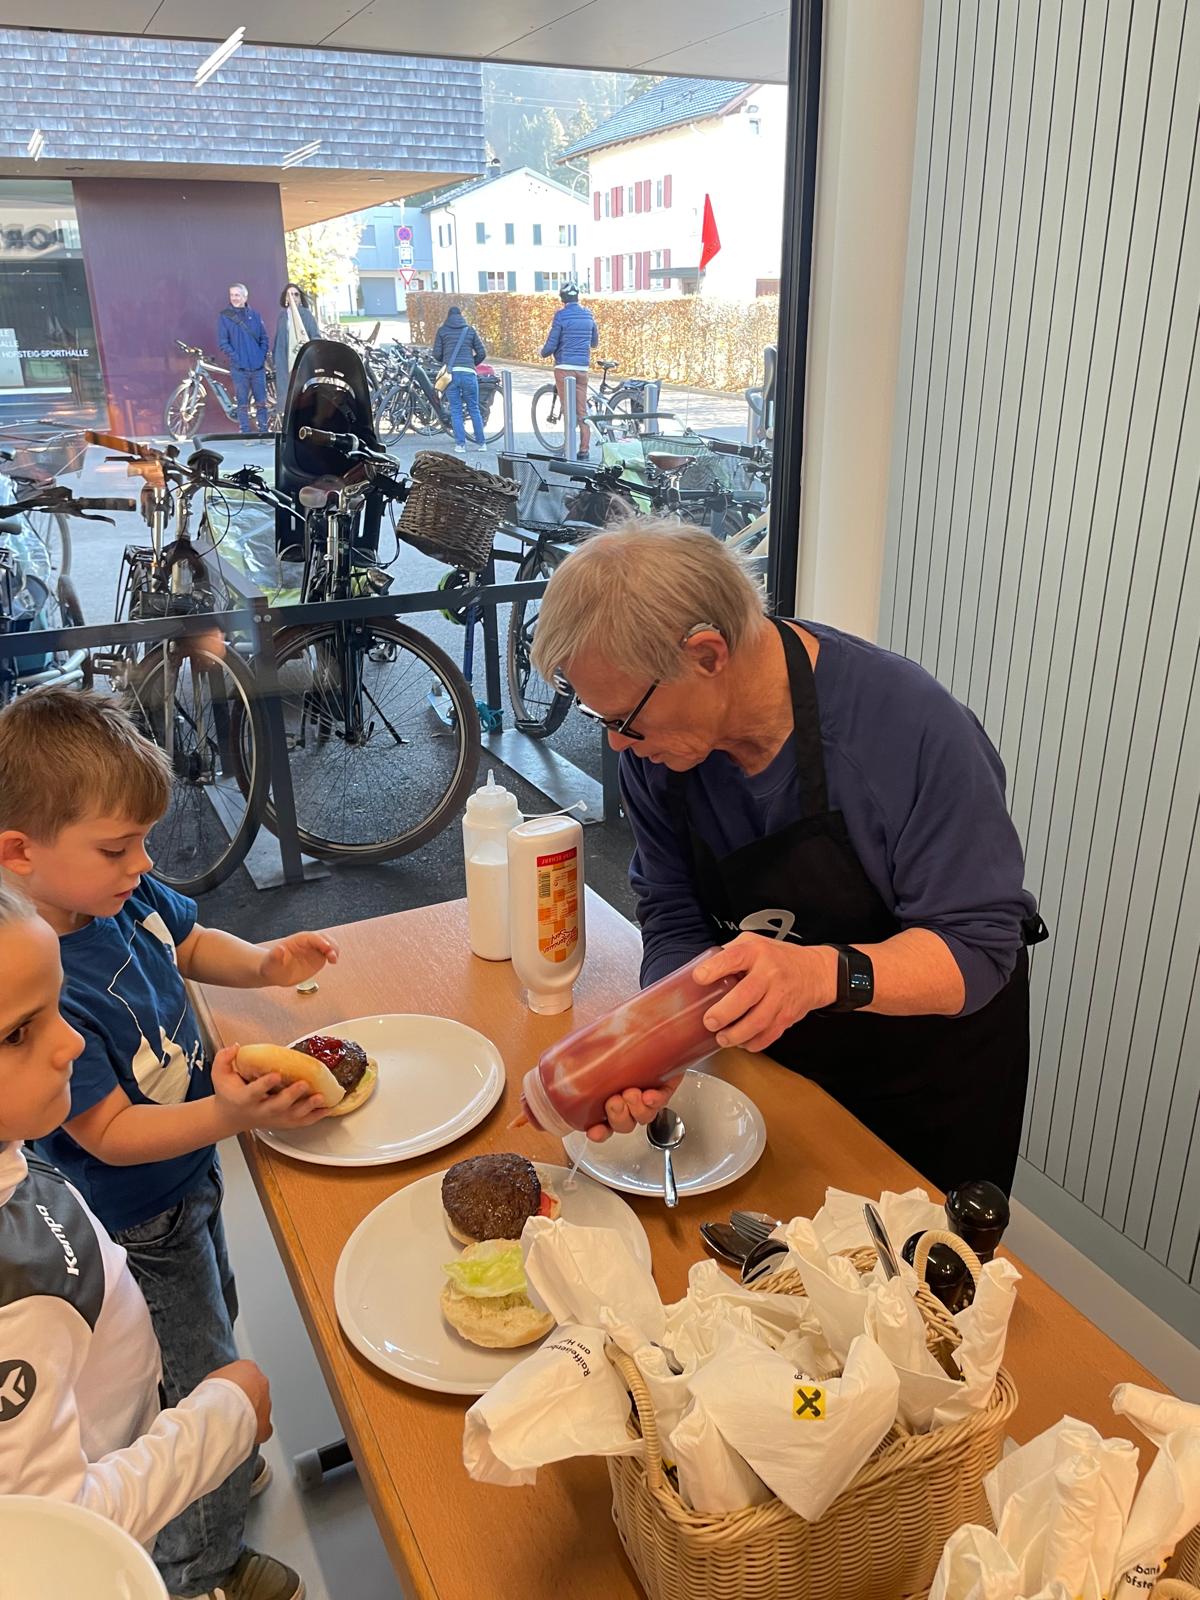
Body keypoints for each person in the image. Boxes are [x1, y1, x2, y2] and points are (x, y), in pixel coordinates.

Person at [529, 524, 1046, 1195]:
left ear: (707, 655)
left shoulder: (906, 730)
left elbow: (976, 950)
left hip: (930, 1076)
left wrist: (818, 975)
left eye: (625, 719)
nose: (620, 746)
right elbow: (674, 913)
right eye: (604, 721)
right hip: (783, 1072)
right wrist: (661, 1040)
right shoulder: (662, 755)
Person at [0, 686, 338, 1600]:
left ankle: (224, 1456)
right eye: (118, 847)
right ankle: (202, 1561)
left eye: (144, 841)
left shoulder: (123, 895)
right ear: (20, 854)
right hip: (139, 1214)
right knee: (191, 1369)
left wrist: (265, 965)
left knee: (215, 1323)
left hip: (190, 1176)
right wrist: (231, 1118)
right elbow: (106, 1135)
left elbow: (189, 944)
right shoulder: (40, 986)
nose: (141, 865)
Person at [0, 883, 274, 1561]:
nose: (69, 1041)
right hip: (124, 1498)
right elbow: (58, 1531)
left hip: (121, 1415)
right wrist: (220, 1427)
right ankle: (205, 1569)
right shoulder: (18, 1307)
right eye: (16, 1033)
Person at [539, 282, 598, 460]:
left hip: (564, 367)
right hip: (582, 368)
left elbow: (552, 344)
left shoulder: (561, 315)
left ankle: (569, 448)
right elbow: (594, 343)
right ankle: (584, 450)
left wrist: (543, 352)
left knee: (568, 407)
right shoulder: (589, 314)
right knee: (582, 410)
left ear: (563, 298)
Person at [430, 304, 486, 454]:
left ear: (448, 317)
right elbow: (482, 352)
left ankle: (460, 445)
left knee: (456, 410)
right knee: (474, 408)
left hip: (451, 374)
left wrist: (446, 361)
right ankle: (481, 443)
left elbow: (436, 354)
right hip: (468, 373)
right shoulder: (469, 330)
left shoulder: (442, 331)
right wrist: (471, 364)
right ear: (461, 316)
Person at [217, 284, 270, 436]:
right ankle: (245, 433)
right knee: (242, 404)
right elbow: (223, 342)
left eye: (237, 295)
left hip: (257, 367)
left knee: (261, 402)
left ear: (245, 297)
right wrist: (236, 357)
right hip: (239, 368)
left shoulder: (256, 315)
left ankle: (264, 432)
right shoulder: (225, 316)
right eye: (232, 295)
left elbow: (264, 338)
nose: (234, 298)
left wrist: (261, 356)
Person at [271, 283, 320, 386]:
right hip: (284, 361)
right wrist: (275, 359)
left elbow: (315, 336)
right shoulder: (282, 316)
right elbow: (278, 340)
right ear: (286, 298)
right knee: (287, 393)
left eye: (296, 294)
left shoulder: (306, 315)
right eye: (290, 294)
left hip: (303, 360)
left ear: (300, 298)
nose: (293, 297)